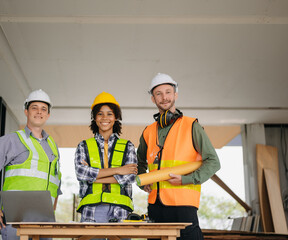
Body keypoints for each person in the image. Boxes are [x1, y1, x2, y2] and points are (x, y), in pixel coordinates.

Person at [137, 73, 221, 240]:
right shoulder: (148, 131)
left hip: (183, 206)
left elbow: (213, 162)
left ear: (175, 95)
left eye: (168, 92)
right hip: (155, 206)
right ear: (153, 99)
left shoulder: (192, 126)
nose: (164, 97)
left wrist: (186, 179)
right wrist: (143, 182)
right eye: (158, 94)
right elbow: (139, 163)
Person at [0, 89, 61, 240]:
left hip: (45, 223)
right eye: (34, 108)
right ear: (26, 111)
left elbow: (56, 182)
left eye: (43, 109)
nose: (39, 112)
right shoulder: (10, 140)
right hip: (17, 220)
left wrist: (52, 211)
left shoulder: (52, 145)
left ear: (48, 115)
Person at [75, 92, 138, 223]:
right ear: (95, 118)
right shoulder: (84, 146)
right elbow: (81, 174)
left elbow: (130, 177)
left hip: (120, 208)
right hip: (91, 209)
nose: (105, 118)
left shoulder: (128, 146)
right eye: (100, 114)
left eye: (109, 113)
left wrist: (93, 177)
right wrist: (118, 170)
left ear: (116, 117)